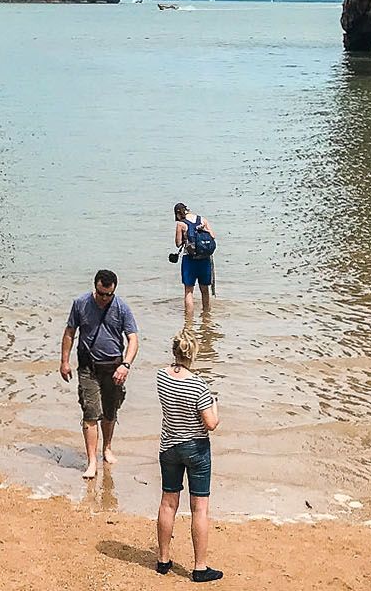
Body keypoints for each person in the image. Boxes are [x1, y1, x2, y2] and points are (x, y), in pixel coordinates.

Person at [154, 330, 222, 583]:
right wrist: (215, 404)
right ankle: (200, 567)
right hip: (196, 448)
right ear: (193, 353)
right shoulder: (199, 386)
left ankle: (163, 559)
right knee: (199, 508)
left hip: (169, 446)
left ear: (174, 351)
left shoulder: (162, 376)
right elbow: (211, 423)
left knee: (168, 502)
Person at [60, 268, 139, 480]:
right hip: (88, 367)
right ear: (95, 287)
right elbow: (69, 332)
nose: (104, 298)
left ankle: (107, 448)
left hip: (114, 368)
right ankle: (92, 461)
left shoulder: (122, 308)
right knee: (90, 412)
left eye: (108, 295)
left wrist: (126, 365)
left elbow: (133, 339)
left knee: (110, 411)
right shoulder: (80, 304)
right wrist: (65, 361)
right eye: (101, 293)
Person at [172, 202, 215, 323]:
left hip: (189, 260)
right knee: (205, 290)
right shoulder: (202, 220)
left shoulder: (181, 224)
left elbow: (178, 243)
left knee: (189, 291)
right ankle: (206, 318)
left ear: (178, 213)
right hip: (205, 260)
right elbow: (213, 236)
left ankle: (189, 321)